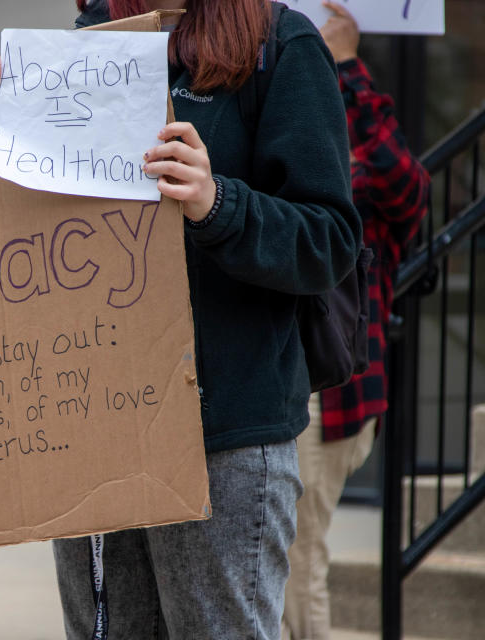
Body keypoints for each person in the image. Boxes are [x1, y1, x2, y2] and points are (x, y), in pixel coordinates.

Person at [0, 0, 361, 637]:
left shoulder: (280, 44)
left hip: (224, 443)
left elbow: (329, 241)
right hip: (94, 428)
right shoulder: (80, 49)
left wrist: (218, 202)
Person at [282, 3, 430, 639]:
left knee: (295, 557)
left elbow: (406, 187)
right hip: (281, 369)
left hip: (329, 382)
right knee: (283, 556)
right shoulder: (278, 99)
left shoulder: (358, 133)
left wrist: (343, 65)